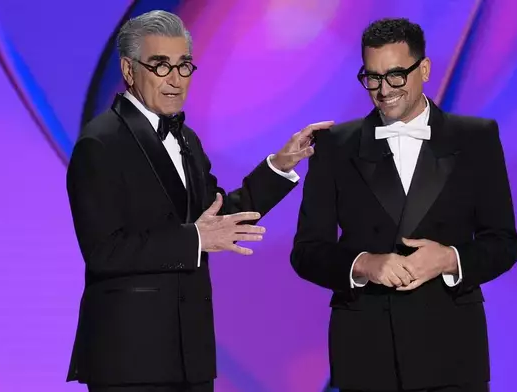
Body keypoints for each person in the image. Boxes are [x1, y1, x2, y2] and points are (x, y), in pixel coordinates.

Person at [65, 10, 332, 392]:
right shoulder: (100, 143)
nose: (175, 80)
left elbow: (216, 216)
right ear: (128, 71)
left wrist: (280, 164)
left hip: (190, 355)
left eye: (184, 65)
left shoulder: (187, 139)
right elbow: (105, 250)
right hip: (129, 359)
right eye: (160, 66)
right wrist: (196, 240)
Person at [291, 17, 517, 392]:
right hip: (365, 351)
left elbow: (504, 243)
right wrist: (363, 264)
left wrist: (450, 259)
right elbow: (306, 252)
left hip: (452, 352)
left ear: (424, 69)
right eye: (373, 77)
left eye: (396, 75)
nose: (384, 90)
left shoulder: (476, 138)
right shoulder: (334, 146)